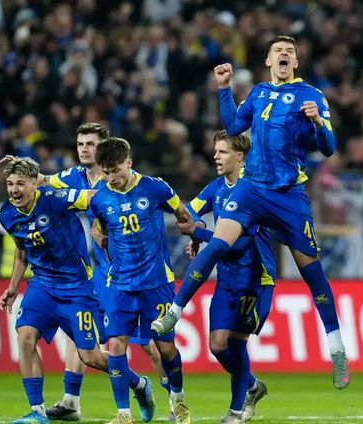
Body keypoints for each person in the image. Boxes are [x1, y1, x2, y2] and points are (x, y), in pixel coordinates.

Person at [156, 34, 349, 389]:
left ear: (296, 62)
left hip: (288, 193)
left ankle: (336, 347)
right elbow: (233, 127)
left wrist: (319, 123)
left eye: (290, 51)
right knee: (217, 244)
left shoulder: (311, 96)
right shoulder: (258, 93)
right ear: (268, 60)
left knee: (311, 271)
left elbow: (329, 148)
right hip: (253, 188)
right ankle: (174, 312)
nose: (284, 55)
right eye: (278, 51)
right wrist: (223, 88)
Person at [0, 123, 172, 421]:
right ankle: (62, 404)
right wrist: (21, 166)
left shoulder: (117, 180)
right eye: (80, 143)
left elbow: (103, 196)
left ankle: (168, 397)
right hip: (80, 276)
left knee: (139, 342)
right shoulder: (70, 178)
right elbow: (41, 180)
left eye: (91, 144)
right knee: (30, 336)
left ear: (106, 148)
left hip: (122, 272)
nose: (84, 149)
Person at [153, 131, 275, 424]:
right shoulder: (216, 188)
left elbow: (238, 243)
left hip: (254, 281)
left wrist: (200, 234)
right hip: (226, 280)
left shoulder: (253, 192)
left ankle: (236, 411)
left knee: (236, 344)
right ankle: (251, 385)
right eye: (216, 151)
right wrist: (191, 227)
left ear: (240, 157)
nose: (216, 157)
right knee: (217, 345)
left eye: (222, 152)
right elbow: (189, 212)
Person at [89, 137, 194, 424]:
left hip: (156, 282)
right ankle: (124, 413)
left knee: (165, 347)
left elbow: (183, 213)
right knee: (116, 345)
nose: (111, 178)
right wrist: (99, 237)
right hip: (120, 284)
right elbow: (98, 229)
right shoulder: (100, 198)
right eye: (106, 172)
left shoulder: (155, 187)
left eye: (116, 171)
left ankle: (178, 401)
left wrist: (195, 236)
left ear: (129, 163)